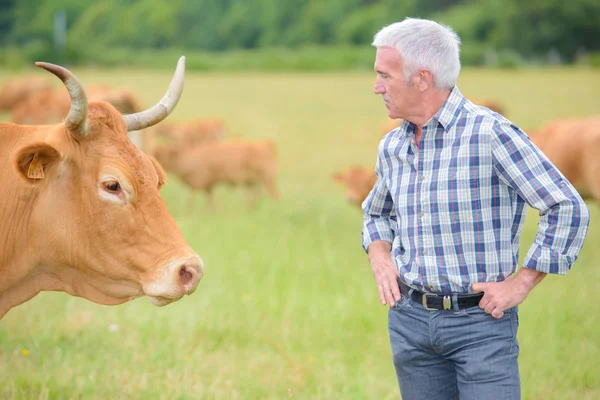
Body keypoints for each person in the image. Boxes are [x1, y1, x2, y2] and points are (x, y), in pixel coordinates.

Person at [362, 18, 590, 399]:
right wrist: (380, 256)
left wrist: (522, 282)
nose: (376, 87)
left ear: (421, 79)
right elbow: (376, 214)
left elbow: (566, 206)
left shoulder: (490, 134)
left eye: (384, 75)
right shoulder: (392, 146)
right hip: (409, 322)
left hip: (481, 326)